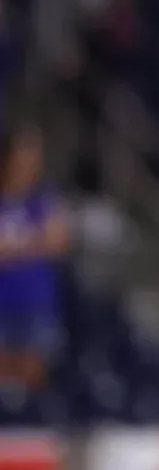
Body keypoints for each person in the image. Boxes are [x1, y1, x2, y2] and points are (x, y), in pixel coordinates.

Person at [0, 127, 69, 388]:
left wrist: (14, 247)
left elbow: (58, 242)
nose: (29, 164)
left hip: (35, 306)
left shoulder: (44, 199)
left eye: (34, 157)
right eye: (24, 156)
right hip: (2, 304)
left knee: (33, 379)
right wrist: (35, 242)